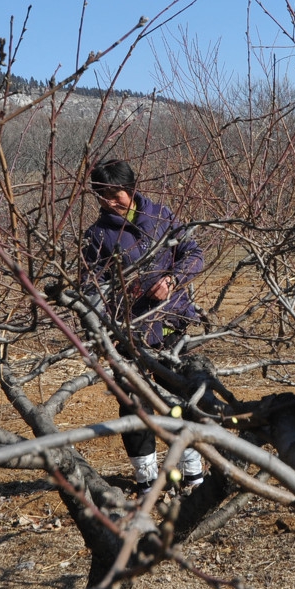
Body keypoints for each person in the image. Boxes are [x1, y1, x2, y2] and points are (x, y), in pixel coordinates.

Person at [81, 159, 206, 495]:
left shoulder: (162, 216)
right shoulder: (96, 236)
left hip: (172, 325)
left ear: (131, 188)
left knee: (181, 397)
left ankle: (192, 472)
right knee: (134, 405)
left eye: (115, 194)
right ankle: (147, 479)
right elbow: (90, 289)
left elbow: (193, 253)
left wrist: (173, 279)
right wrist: (102, 329)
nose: (110, 202)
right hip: (128, 334)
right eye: (102, 196)